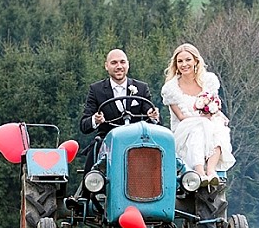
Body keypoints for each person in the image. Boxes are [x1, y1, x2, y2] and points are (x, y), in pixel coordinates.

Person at [75, 49, 160, 194]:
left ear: (128, 65)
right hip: (108, 142)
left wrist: (153, 116)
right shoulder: (96, 90)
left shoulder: (141, 88)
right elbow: (84, 125)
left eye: (122, 62)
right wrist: (95, 120)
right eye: (114, 63)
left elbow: (152, 114)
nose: (119, 66)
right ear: (106, 66)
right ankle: (88, 193)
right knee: (94, 148)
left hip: (138, 141)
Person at [160, 43, 235, 186]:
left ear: (195, 61)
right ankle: (199, 171)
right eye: (180, 61)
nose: (184, 64)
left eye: (188, 60)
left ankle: (211, 170)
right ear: (175, 64)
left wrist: (215, 114)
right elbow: (181, 117)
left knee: (219, 128)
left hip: (209, 125)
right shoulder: (171, 88)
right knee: (198, 128)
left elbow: (214, 107)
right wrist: (203, 119)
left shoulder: (209, 81)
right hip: (185, 128)